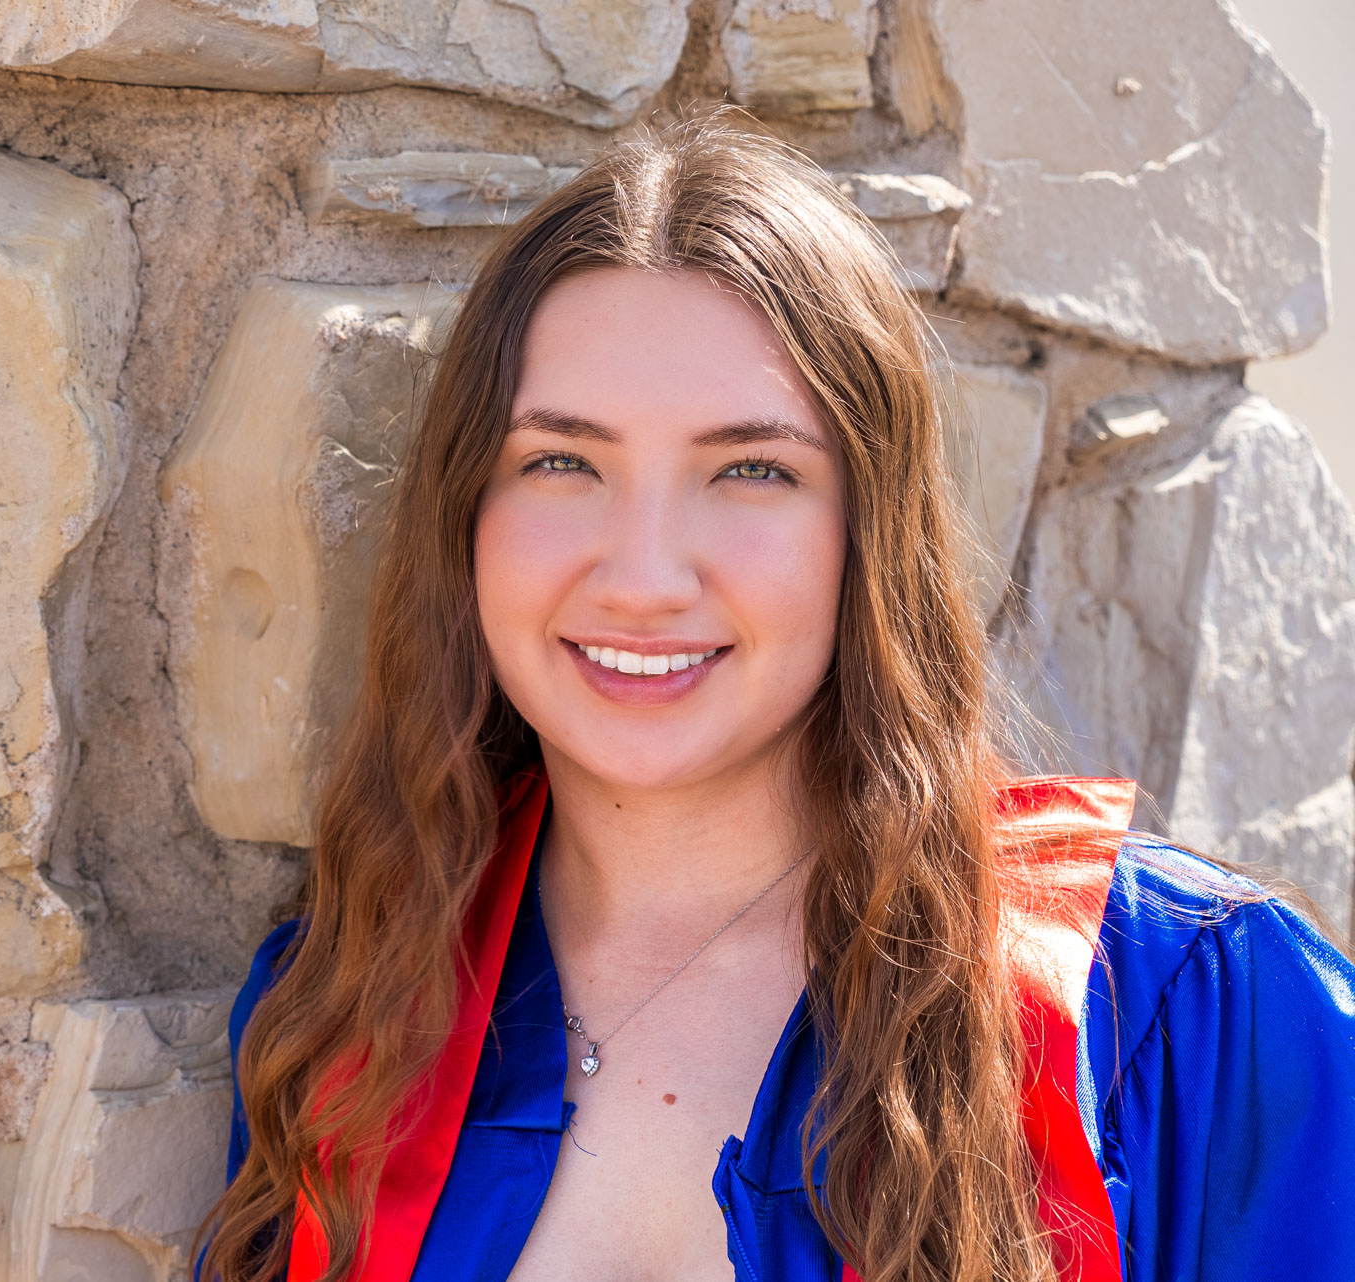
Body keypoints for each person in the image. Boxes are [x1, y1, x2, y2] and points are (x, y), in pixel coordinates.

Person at [197, 111, 1355, 1282]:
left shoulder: (1182, 1010)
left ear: (866, 533)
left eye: (752, 469)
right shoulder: (348, 1012)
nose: (645, 577)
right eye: (561, 461)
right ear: (466, 519)